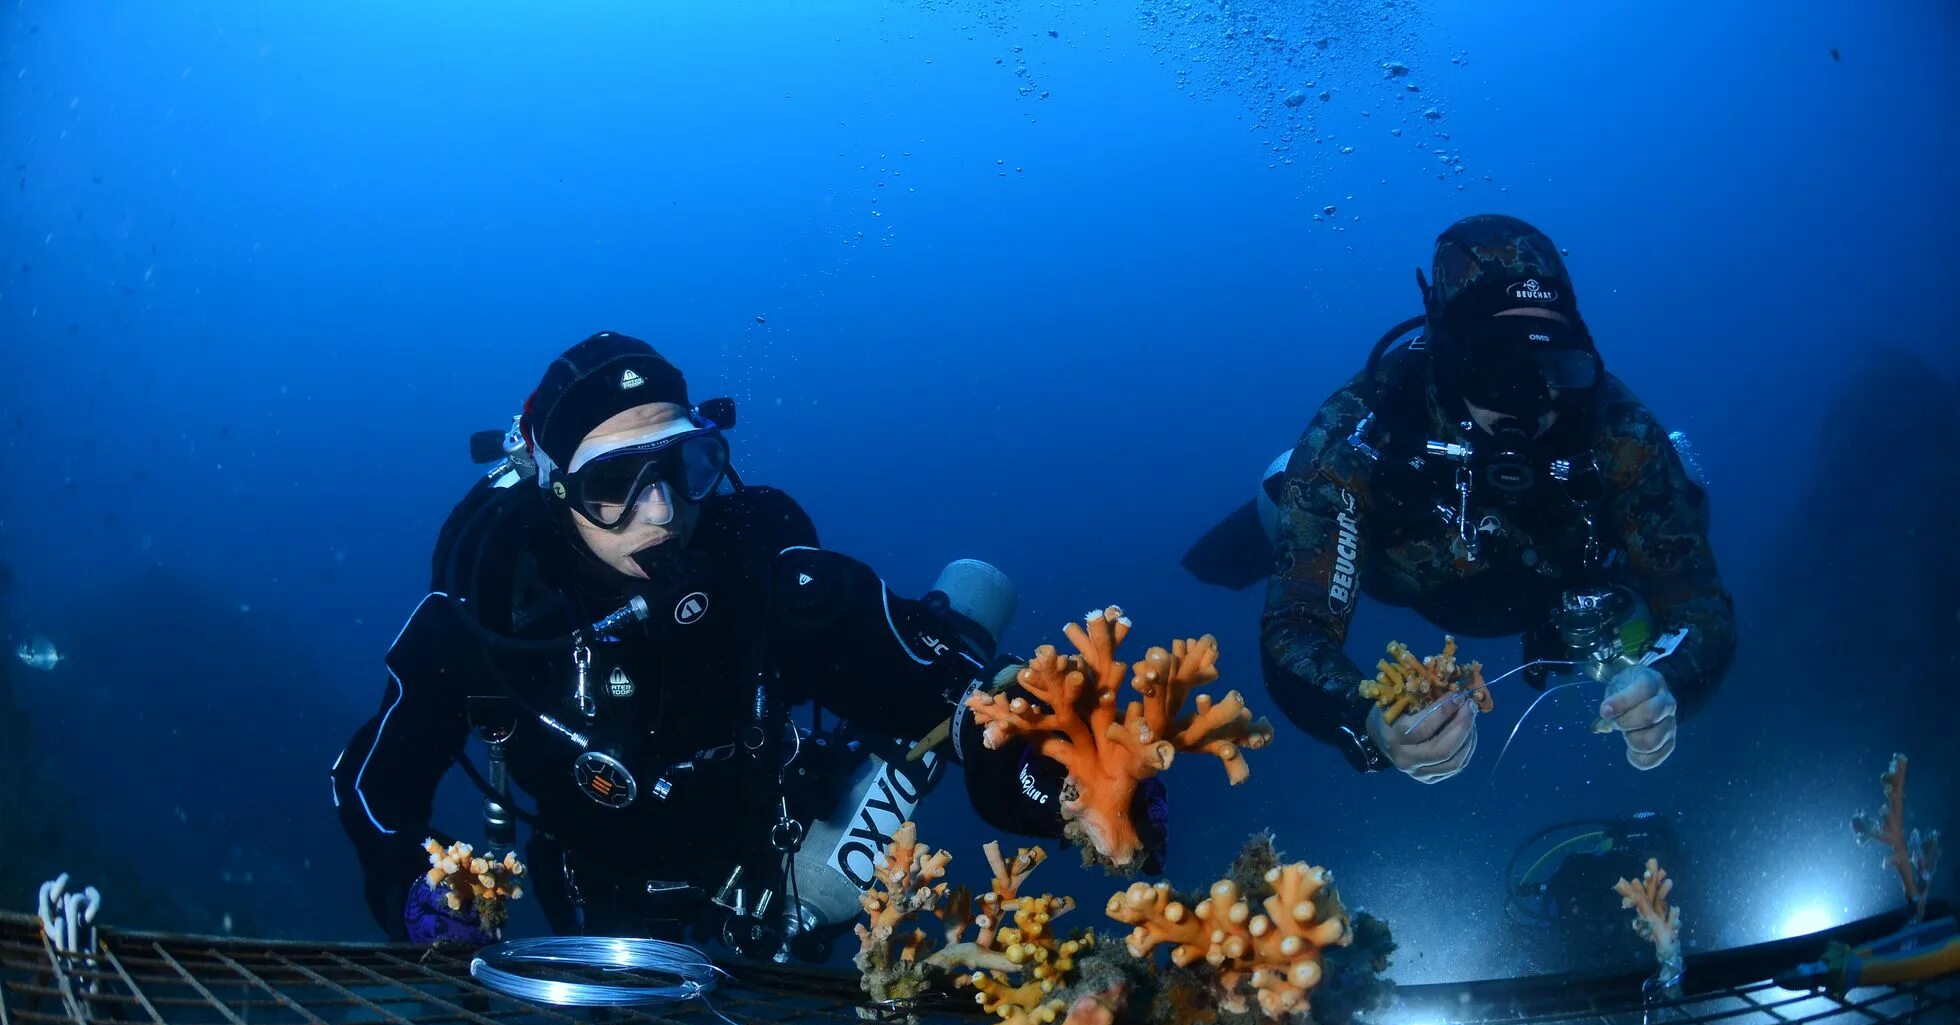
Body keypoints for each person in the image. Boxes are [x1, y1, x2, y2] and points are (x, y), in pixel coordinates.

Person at [333, 332, 1139, 955]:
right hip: (597, 881)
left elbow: (946, 691)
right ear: (554, 491)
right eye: (613, 484)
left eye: (683, 464)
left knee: (852, 847)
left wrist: (1065, 777)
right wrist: (410, 887)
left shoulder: (760, 570)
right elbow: (374, 779)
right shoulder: (484, 616)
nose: (660, 511)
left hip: (774, 850)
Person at [1187, 215, 1735, 780]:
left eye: (1555, 368)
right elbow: (1296, 629)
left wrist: (1671, 680)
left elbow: (1700, 604)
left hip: (1556, 585)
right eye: (1500, 373)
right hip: (1394, 571)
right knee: (1285, 495)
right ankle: (1281, 510)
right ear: (1451, 360)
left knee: (1688, 499)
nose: (1531, 404)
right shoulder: (1358, 434)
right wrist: (1368, 720)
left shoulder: (1618, 428)